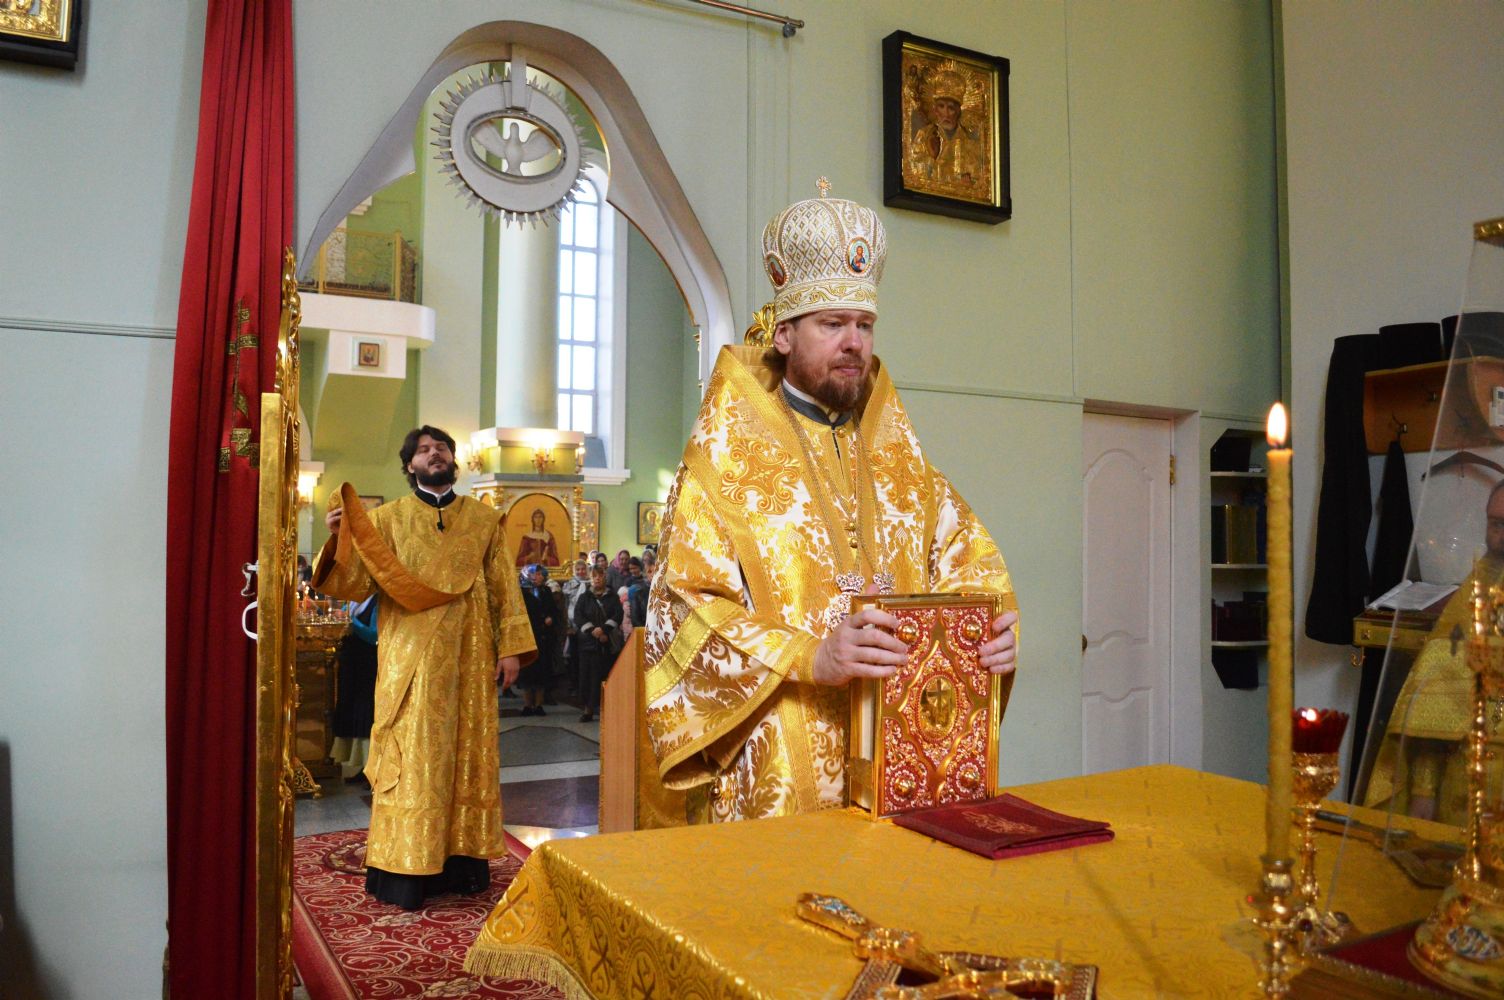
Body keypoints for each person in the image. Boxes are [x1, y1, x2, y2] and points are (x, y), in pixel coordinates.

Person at [644, 186, 1019, 823]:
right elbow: (682, 606)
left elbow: (969, 565)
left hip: (904, 754)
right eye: (832, 324)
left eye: (864, 325)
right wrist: (812, 657)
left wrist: (990, 634)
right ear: (785, 334)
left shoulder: (901, 460)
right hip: (780, 767)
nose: (854, 342)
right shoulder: (724, 462)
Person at [313, 424, 536, 908]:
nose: (434, 454)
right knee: (413, 759)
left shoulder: (483, 520)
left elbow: (504, 586)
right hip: (409, 659)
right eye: (423, 450)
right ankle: (404, 867)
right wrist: (338, 539)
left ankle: (462, 862)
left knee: (465, 754)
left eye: (442, 448)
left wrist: (510, 648)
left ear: (454, 460)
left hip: (470, 659)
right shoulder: (387, 520)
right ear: (409, 465)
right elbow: (354, 586)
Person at [1363, 480, 1504, 823]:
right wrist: (1423, 793)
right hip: (1467, 787)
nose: (1502, 535)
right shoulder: (1473, 593)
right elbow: (1432, 704)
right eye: (1496, 523)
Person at [572, 565, 622, 723]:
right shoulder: (584, 597)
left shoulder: (612, 596)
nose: (597, 579)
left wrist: (604, 630)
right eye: (594, 576)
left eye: (599, 576)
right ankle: (587, 709)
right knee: (586, 677)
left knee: (604, 677)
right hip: (587, 644)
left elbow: (618, 614)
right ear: (590, 579)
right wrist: (592, 630)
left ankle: (605, 709)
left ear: (604, 577)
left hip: (605, 644)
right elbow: (578, 615)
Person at [517, 564, 556, 716]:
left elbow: (553, 610)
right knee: (527, 671)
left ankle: (539, 704)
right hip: (527, 635)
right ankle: (527, 704)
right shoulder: (522, 594)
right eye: (534, 574)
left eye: (540, 574)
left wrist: (550, 618)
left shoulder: (546, 591)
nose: (537, 577)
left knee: (541, 671)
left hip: (542, 636)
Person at [625, 556, 649, 629]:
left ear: (640, 567)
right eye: (630, 569)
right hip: (632, 611)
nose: (632, 571)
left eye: (635, 568)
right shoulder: (628, 581)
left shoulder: (646, 579)